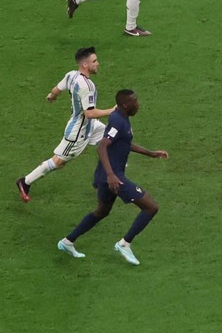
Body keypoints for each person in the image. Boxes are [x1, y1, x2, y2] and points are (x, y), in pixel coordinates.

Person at [57, 89, 169, 265]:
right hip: (113, 177)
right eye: (135, 101)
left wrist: (151, 154)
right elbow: (102, 147)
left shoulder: (121, 119)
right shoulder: (117, 121)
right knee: (151, 207)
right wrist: (111, 175)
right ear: (125, 105)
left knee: (101, 211)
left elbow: (125, 143)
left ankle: (67, 241)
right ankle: (124, 244)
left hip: (106, 176)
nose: (138, 104)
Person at [16, 46, 115, 202]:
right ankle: (25, 181)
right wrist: (112, 110)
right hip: (78, 132)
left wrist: (51, 96)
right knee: (58, 162)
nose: (98, 64)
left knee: (113, 137)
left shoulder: (71, 75)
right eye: (94, 61)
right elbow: (89, 113)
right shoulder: (87, 86)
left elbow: (57, 88)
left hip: (91, 125)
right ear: (85, 65)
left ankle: (103, 178)